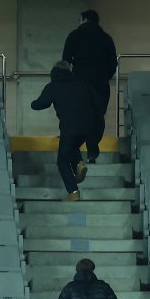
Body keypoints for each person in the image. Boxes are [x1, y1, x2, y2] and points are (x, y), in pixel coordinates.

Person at [29, 61, 99, 202]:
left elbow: (41, 104)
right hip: (87, 128)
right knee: (73, 147)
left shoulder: (53, 86)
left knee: (62, 162)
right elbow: (96, 103)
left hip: (69, 128)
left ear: (54, 72)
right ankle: (79, 163)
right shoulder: (82, 84)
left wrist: (33, 103)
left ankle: (73, 192)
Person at [60, 10, 117, 160]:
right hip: (100, 81)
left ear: (84, 20)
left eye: (80, 19)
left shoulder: (74, 36)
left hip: (80, 80)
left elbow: (65, 60)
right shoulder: (106, 38)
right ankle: (92, 147)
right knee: (98, 114)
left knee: (81, 114)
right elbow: (113, 63)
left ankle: (81, 147)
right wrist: (105, 76)